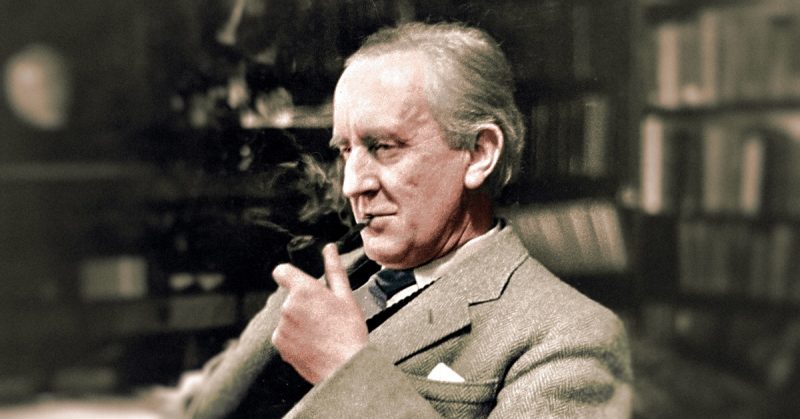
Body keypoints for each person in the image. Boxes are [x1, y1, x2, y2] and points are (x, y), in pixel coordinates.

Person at [180, 21, 633, 418]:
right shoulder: (324, 279)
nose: (352, 185)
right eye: (345, 151)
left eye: (384, 147)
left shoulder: (570, 336)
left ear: (479, 154)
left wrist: (346, 370)